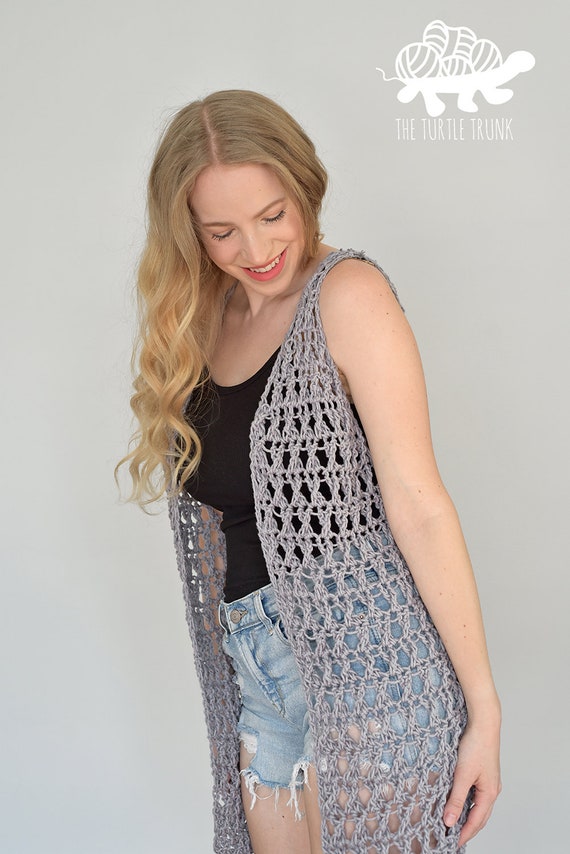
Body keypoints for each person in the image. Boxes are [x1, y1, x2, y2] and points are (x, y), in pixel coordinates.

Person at [118, 89, 501, 854]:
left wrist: (483, 710)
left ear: (303, 188)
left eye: (272, 215)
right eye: (222, 232)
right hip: (259, 676)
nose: (256, 249)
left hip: (370, 662)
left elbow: (419, 504)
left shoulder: (348, 296)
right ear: (188, 230)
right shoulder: (205, 319)